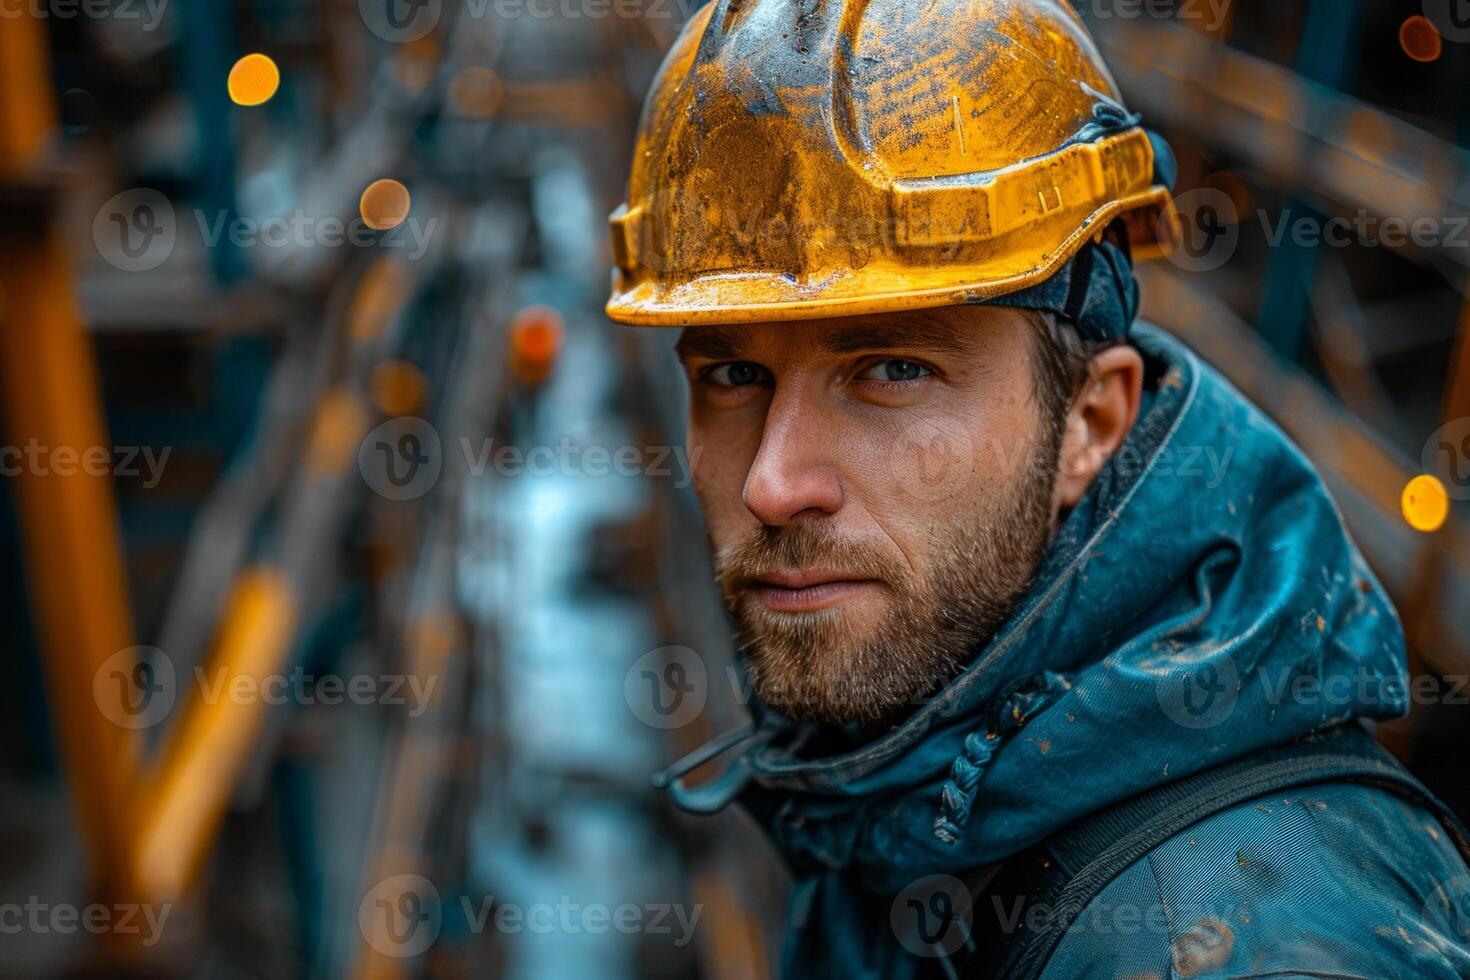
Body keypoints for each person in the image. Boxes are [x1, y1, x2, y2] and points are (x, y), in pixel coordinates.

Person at [605, 1, 1470, 976]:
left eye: (891, 369)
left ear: (1089, 424)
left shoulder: (1248, 945)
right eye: (731, 375)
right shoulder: (899, 775)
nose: (772, 482)